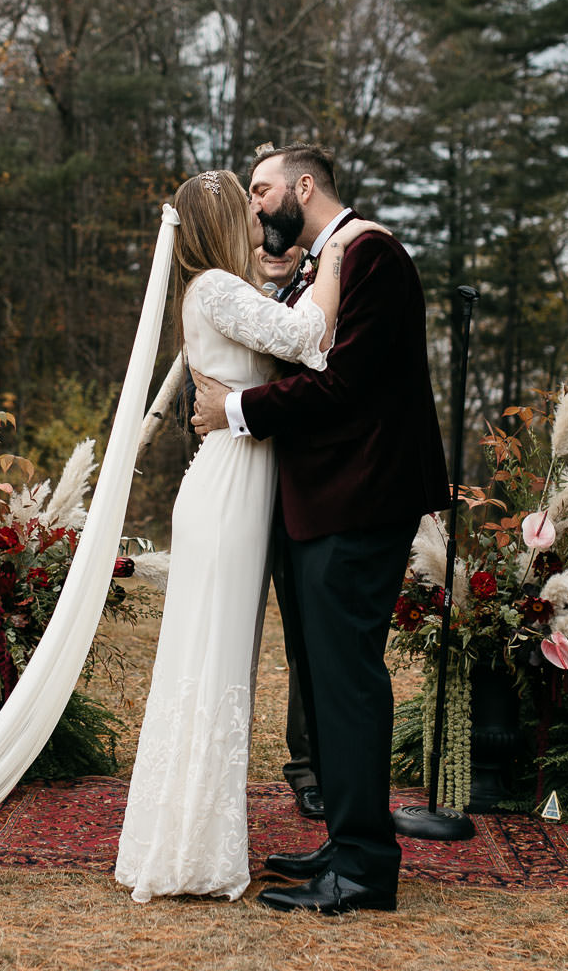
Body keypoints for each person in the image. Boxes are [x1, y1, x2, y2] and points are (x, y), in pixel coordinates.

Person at [192, 142, 449, 916]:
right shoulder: (320, 265)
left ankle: (368, 870)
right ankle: (344, 839)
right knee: (323, 679)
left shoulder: (372, 254)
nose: (255, 207)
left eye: (263, 190)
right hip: (317, 500)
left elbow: (343, 385)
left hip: (361, 496)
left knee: (348, 682)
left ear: (305, 187)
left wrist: (231, 412)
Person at [114, 172, 377, 902]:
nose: (259, 216)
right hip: (229, 490)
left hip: (236, 479)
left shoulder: (219, 289)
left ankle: (187, 835)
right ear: (223, 220)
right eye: (245, 205)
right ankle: (191, 849)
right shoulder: (215, 290)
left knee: (212, 660)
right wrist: (332, 259)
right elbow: (305, 338)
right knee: (213, 663)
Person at [257, 243, 324, 820]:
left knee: (308, 636)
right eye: (261, 246)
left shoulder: (314, 303)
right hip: (242, 491)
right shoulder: (233, 305)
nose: (272, 253)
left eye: (283, 247)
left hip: (304, 492)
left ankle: (311, 768)